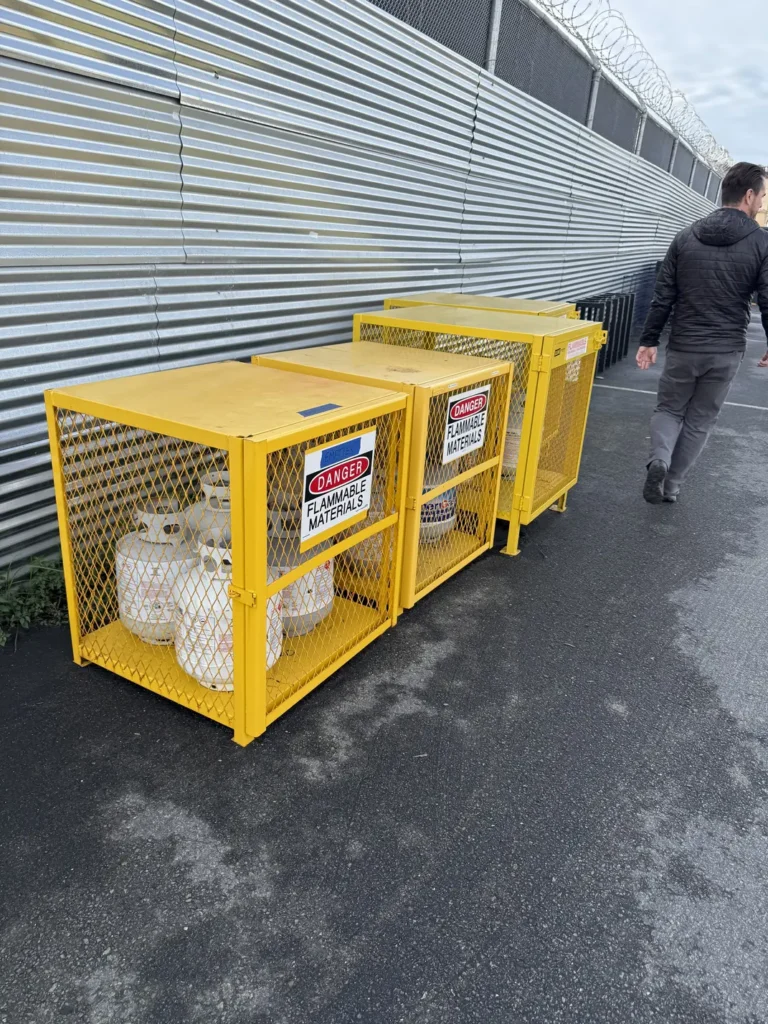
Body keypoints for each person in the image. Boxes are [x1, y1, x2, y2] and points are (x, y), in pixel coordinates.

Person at [636, 161, 768, 503]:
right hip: (726, 349)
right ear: (748, 195)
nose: (762, 204)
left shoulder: (686, 235)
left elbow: (663, 295)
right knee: (700, 420)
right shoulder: (761, 242)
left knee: (669, 409)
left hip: (684, 344)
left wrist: (649, 340)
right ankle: (672, 486)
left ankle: (660, 459)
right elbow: (767, 299)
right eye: (762, 196)